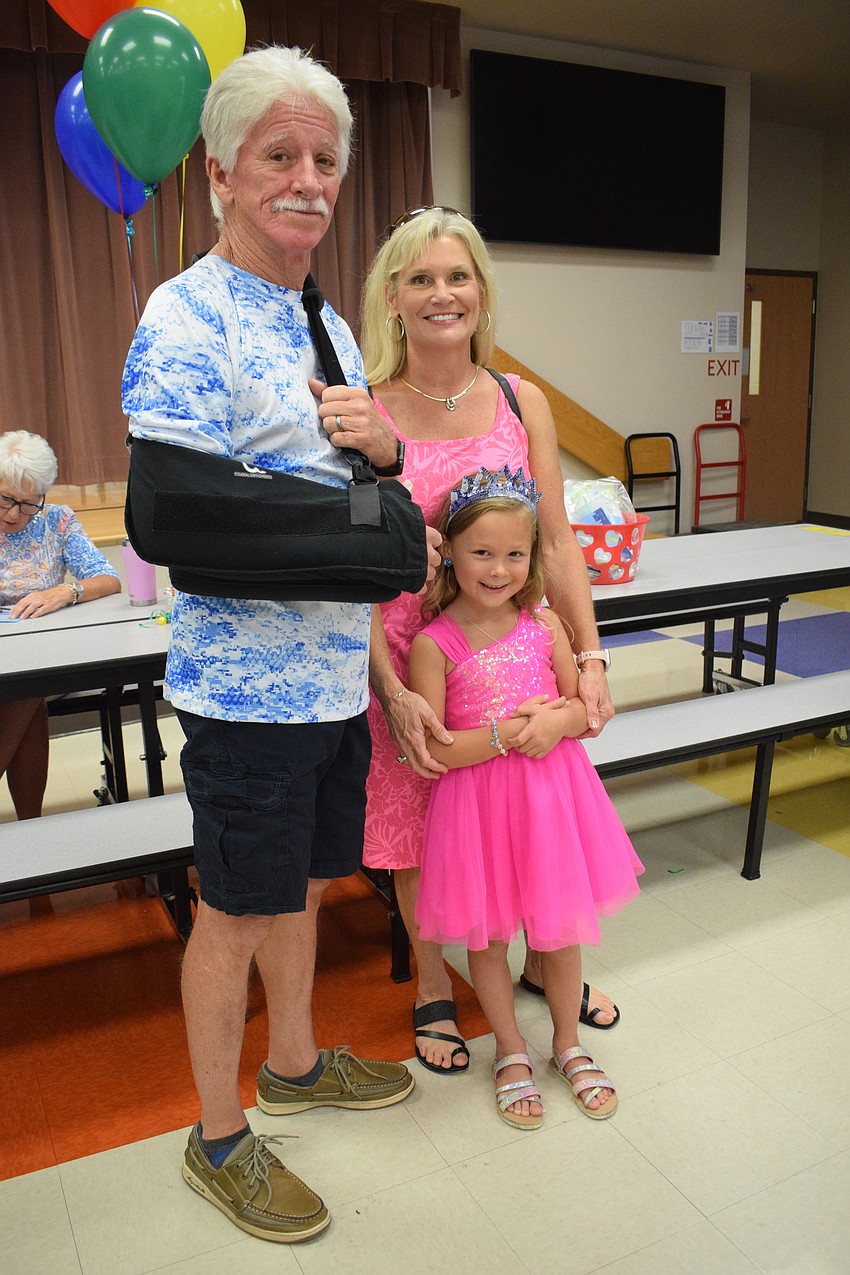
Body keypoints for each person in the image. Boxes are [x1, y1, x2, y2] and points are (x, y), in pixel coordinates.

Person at [122, 47, 439, 1245]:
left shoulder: (328, 331)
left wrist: (386, 468)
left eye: (323, 160)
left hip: (326, 685)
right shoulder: (185, 313)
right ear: (220, 174)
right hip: (241, 696)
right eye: (278, 157)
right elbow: (181, 522)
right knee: (237, 910)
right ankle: (216, 1137)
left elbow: (385, 531)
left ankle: (297, 1063)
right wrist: (366, 521)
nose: (307, 181)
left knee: (307, 887)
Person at [360, 207, 620, 1073]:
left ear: (482, 293)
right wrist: (389, 687)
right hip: (409, 652)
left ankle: (550, 960)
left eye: (459, 276)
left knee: (527, 809)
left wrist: (588, 659)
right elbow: (353, 563)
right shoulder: (366, 409)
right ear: (393, 296)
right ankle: (434, 984)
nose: (443, 293)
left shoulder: (520, 399)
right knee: (422, 825)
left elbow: (555, 541)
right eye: (423, 278)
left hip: (511, 652)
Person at [408, 466, 644, 1125]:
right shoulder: (434, 644)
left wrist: (558, 721)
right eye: (482, 552)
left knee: (559, 931)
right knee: (487, 940)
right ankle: (510, 1047)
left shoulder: (544, 624)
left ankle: (566, 1041)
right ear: (450, 550)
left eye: (515, 553)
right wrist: (512, 733)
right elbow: (438, 747)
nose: (498, 568)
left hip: (551, 803)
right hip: (477, 810)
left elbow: (581, 708)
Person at [0, 430, 121, 820]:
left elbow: (107, 580)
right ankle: (31, 825)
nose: (13, 514)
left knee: (25, 687)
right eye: (4, 499)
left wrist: (64, 592)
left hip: (42, 657)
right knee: (25, 694)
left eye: (27, 504)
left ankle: (31, 828)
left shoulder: (57, 521)